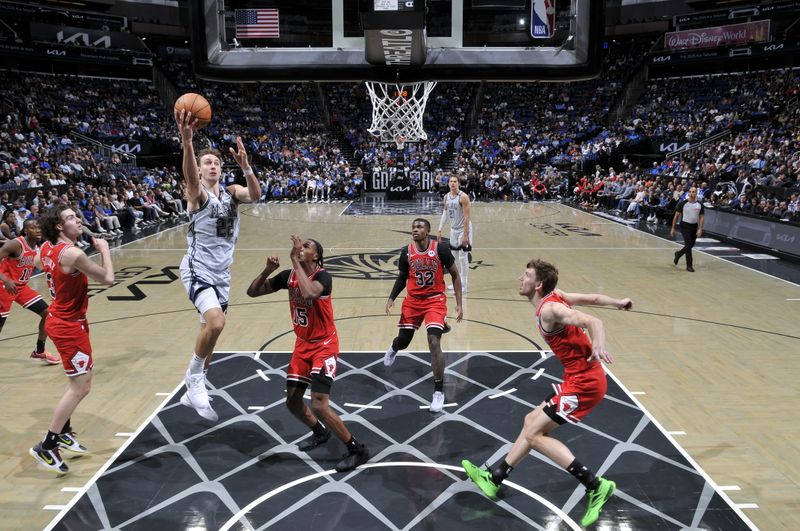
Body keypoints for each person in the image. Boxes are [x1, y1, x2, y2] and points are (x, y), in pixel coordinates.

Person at [461, 259, 632, 527]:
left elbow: (593, 320)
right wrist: (618, 302)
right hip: (575, 379)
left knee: (534, 434)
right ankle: (495, 477)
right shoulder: (557, 296)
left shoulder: (550, 309)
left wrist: (598, 345)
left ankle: (596, 485)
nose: (520, 278)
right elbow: (593, 298)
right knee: (531, 421)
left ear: (538, 285)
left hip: (584, 384)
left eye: (526, 275)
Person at [246, 235, 369, 472]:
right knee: (292, 402)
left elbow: (311, 292)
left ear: (316, 256)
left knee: (320, 405)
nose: (300, 249)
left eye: (306, 247)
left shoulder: (323, 276)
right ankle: (319, 432)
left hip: (324, 345)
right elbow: (253, 292)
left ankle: (357, 449)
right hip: (302, 345)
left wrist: (294, 261)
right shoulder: (288, 276)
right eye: (300, 246)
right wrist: (266, 271)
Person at [175, 108, 261, 422]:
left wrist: (247, 167)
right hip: (197, 268)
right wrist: (187, 143)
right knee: (215, 323)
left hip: (222, 274)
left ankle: (192, 388)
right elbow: (191, 180)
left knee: (210, 334)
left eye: (216, 162)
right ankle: (194, 379)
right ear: (199, 169)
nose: (213, 165)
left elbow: (256, 194)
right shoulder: (197, 196)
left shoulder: (230, 194)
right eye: (207, 162)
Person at [28, 205, 114, 474]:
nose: (78, 220)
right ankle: (47, 444)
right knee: (80, 387)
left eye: (77, 216)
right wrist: (104, 250)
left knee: (77, 381)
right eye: (70, 218)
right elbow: (108, 279)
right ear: (58, 227)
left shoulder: (45, 248)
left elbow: (37, 262)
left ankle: (64, 433)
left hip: (62, 319)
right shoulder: (74, 254)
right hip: (67, 326)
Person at [384, 218, 463, 413]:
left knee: (434, 341)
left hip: (434, 299)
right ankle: (394, 347)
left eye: (419, 227)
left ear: (428, 231)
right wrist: (392, 297)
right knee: (404, 340)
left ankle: (438, 391)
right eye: (413, 227)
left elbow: (455, 274)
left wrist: (459, 304)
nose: (415, 229)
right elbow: (402, 277)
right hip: (412, 301)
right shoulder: (407, 252)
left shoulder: (440, 249)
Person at [0, 218, 59, 364]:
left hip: (21, 288)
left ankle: (39, 351)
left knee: (48, 313)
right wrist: (6, 279)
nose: (38, 230)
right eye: (33, 228)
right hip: (4, 287)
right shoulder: (16, 244)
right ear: (26, 231)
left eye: (39, 227)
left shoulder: (39, 247)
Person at [437, 175, 473, 294]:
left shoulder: (463, 197)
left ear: (458, 183)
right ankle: (457, 282)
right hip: (453, 230)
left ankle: (464, 285)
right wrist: (440, 229)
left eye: (455, 181)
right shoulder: (446, 197)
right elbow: (445, 214)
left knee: (463, 257)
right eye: (451, 181)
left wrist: (465, 235)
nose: (453, 183)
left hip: (464, 229)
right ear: (448, 183)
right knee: (454, 258)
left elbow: (467, 218)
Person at [671, 186, 704, 272]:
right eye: (690, 191)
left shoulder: (700, 204)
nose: (692, 193)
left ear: (696, 193)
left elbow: (701, 217)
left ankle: (678, 254)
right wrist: (673, 228)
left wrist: (700, 229)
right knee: (688, 245)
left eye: (694, 192)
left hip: (694, 226)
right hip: (684, 226)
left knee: (690, 245)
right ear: (688, 193)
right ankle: (689, 265)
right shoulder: (683, 203)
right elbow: (676, 216)